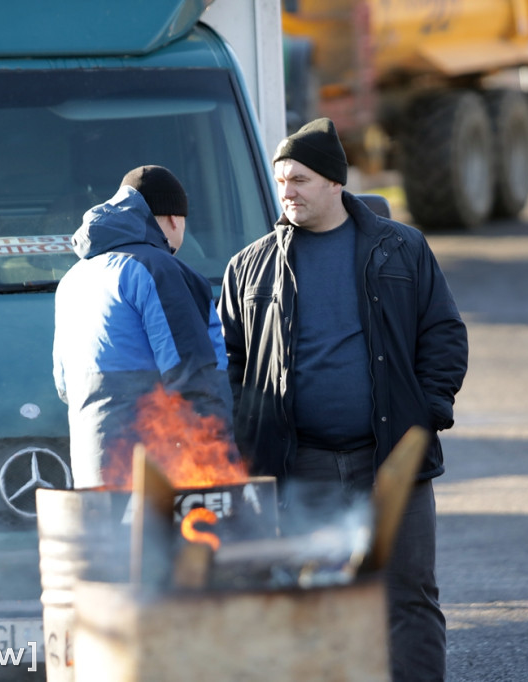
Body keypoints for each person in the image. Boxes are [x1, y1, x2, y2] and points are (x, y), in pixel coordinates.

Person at [217, 117, 468, 681]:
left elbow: (444, 336)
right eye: (282, 181)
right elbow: (230, 363)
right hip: (298, 464)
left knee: (408, 597)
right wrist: (247, 430)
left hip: (392, 459)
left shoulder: (401, 248)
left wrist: (425, 417)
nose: (288, 192)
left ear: (335, 183)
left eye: (300, 180)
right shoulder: (249, 266)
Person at [53, 165, 233, 488]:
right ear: (175, 219)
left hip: (92, 474)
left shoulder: (72, 280)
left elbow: (64, 386)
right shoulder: (159, 268)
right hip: (156, 476)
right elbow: (193, 378)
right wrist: (222, 465)